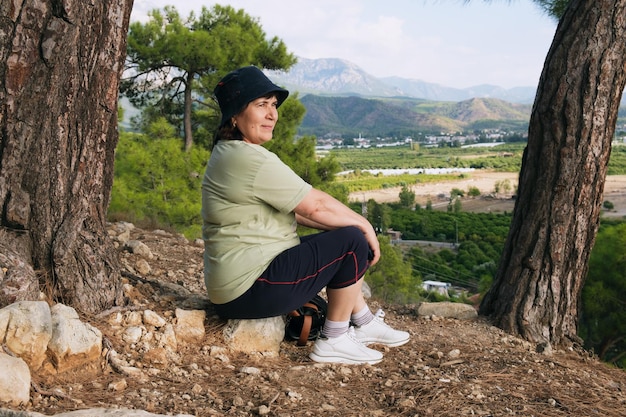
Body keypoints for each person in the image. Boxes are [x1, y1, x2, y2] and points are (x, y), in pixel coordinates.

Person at [202, 65, 409, 365]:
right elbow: (315, 206)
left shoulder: (230, 153)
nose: (272, 114)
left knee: (344, 236)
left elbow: (302, 214)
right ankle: (334, 339)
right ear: (235, 115)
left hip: (239, 287)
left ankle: (362, 322)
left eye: (273, 105)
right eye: (261, 105)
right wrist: (364, 225)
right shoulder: (247, 158)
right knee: (351, 239)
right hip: (249, 288)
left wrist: (352, 229)